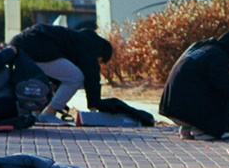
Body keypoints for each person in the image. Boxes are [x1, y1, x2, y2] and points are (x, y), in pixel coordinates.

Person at [8, 23, 146, 125]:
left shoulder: (76, 39)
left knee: (48, 78)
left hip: (20, 43)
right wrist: (94, 106)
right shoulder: (90, 46)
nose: (98, 64)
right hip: (36, 46)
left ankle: (35, 113)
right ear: (101, 54)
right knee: (75, 77)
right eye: (100, 62)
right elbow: (91, 76)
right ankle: (48, 113)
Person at [159, 26, 229, 140]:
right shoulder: (218, 56)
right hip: (184, 111)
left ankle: (188, 128)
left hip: (170, 108)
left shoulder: (201, 47)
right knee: (221, 98)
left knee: (205, 90)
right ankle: (204, 131)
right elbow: (222, 83)